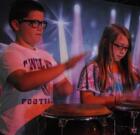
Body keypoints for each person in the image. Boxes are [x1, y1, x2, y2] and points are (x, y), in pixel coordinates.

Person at [0, 0, 84, 135]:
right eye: (34, 22)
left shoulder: (47, 57)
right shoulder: (9, 53)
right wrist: (66, 66)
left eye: (42, 23)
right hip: (15, 131)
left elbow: (65, 88)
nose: (40, 28)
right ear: (16, 24)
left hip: (43, 126)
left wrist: (63, 87)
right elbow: (23, 82)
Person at [78, 24, 140, 106]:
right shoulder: (92, 69)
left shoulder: (130, 69)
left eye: (126, 48)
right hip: (103, 117)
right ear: (106, 43)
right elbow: (86, 100)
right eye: (119, 46)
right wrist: (116, 99)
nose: (123, 51)